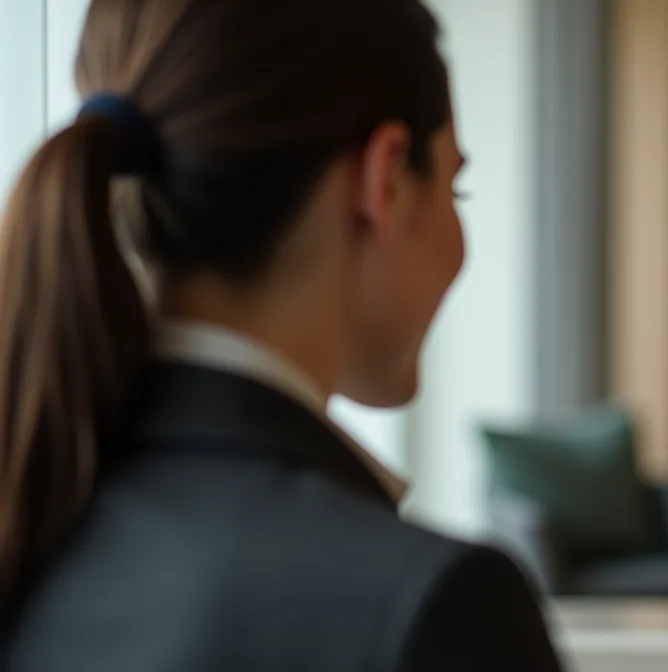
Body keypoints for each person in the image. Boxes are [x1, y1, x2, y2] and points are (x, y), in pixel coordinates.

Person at [0, 0, 563, 670]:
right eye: (455, 188)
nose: (462, 247)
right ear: (384, 181)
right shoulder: (433, 606)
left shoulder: (32, 526)